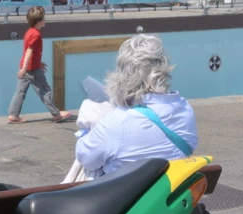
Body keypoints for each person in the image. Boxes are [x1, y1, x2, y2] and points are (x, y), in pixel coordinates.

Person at [74, 34, 198, 176]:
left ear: (123, 74)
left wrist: (87, 130)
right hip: (169, 192)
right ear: (163, 69)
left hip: (125, 196)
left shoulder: (116, 123)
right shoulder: (184, 109)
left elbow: (86, 159)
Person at [7, 6, 71, 124]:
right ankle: (56, 114)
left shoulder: (29, 32)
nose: (45, 20)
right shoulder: (36, 35)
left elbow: (31, 52)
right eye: (44, 18)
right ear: (39, 21)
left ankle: (13, 114)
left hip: (26, 67)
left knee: (20, 92)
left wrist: (37, 63)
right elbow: (29, 52)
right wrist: (27, 68)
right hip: (32, 70)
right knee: (45, 90)